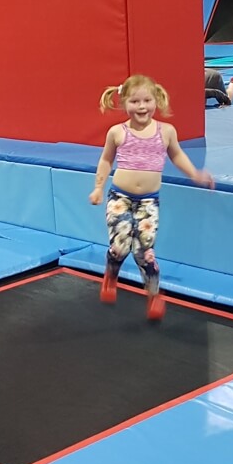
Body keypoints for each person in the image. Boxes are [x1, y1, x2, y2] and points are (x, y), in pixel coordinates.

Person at [89, 75, 215, 321]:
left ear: (156, 100)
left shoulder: (166, 131)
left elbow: (177, 155)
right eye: (135, 101)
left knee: (144, 251)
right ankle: (111, 275)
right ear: (124, 102)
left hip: (148, 202)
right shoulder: (117, 132)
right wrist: (98, 188)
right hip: (120, 198)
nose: (142, 106)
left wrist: (195, 174)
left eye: (147, 100)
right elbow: (106, 160)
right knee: (119, 246)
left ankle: (154, 294)